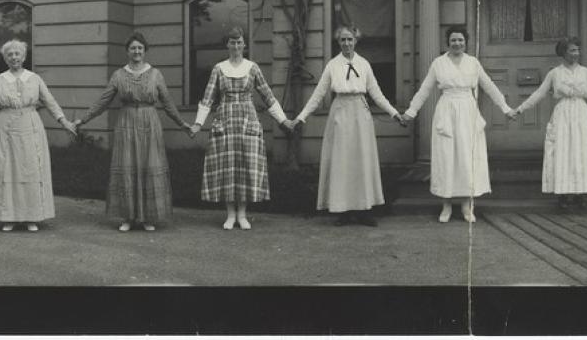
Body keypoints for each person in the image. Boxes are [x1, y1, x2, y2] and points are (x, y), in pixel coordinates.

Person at [287, 26, 407, 227]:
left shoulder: (364, 64)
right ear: (338, 42)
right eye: (342, 40)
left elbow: (376, 93)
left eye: (350, 39)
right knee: (342, 162)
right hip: (340, 112)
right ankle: (343, 210)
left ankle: (363, 210)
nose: (346, 43)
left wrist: (395, 114)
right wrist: (300, 117)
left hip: (360, 112)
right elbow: (318, 94)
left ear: (356, 40)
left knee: (361, 161)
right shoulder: (333, 65)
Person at [0, 40, 77, 232]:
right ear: (5, 58)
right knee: (7, 171)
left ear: (24, 57)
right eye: (10, 54)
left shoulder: (35, 79)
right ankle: (8, 216)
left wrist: (64, 122)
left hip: (30, 128)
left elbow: (50, 102)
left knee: (30, 171)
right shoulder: (0, 80)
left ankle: (31, 217)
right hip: (6, 130)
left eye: (17, 54)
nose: (14, 57)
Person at [74, 33, 190, 232]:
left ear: (145, 51)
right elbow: (103, 101)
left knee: (148, 167)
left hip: (149, 123)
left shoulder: (155, 74)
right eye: (133, 48)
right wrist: (82, 119)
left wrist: (182, 123)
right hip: (127, 124)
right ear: (127, 51)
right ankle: (128, 217)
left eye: (140, 48)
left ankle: (147, 218)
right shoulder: (119, 75)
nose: (137, 51)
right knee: (127, 168)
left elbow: (168, 102)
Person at [403, 26, 515, 223]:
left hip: (468, 112)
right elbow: (425, 89)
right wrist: (411, 111)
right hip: (447, 111)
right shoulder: (438, 63)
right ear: (448, 42)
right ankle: (446, 205)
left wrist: (505, 108)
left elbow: (489, 85)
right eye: (453, 40)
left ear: (466, 42)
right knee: (447, 158)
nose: (457, 44)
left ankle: (466, 205)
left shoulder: (473, 63)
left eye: (460, 40)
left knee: (466, 158)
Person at [189, 27, 290, 230]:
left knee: (246, 165)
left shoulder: (252, 68)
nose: (236, 46)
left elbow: (267, 96)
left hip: (247, 120)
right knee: (226, 166)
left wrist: (283, 120)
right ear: (227, 44)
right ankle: (230, 214)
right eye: (232, 42)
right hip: (224, 120)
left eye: (239, 42)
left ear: (244, 45)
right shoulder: (218, 69)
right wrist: (198, 123)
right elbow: (208, 98)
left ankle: (243, 214)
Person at [510, 36, 587, 212]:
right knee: (563, 151)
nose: (576, 53)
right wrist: (520, 109)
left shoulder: (586, 73)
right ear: (563, 52)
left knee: (580, 151)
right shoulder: (554, 73)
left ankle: (580, 194)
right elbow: (539, 94)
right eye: (572, 50)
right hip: (562, 114)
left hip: (580, 114)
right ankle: (562, 194)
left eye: (577, 50)